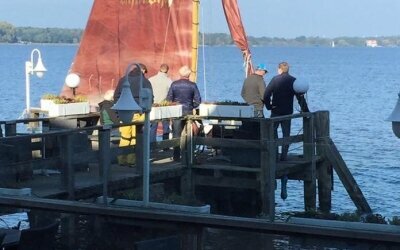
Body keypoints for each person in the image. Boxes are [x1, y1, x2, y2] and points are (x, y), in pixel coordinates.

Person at [263, 61, 309, 161]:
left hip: (276, 110)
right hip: (288, 112)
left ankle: (274, 155)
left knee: (272, 132)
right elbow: (300, 97)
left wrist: (268, 106)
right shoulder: (293, 80)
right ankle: (284, 156)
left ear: (279, 69)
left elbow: (266, 95)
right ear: (288, 70)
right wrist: (306, 111)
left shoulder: (275, 79)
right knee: (286, 134)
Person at [113, 63, 153, 167]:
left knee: (125, 136)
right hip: (138, 112)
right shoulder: (144, 81)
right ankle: (132, 160)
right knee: (136, 136)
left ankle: (122, 159)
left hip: (125, 112)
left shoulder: (123, 80)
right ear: (143, 70)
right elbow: (150, 97)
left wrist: (119, 110)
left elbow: (116, 96)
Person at [166, 65, 201, 162]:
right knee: (190, 135)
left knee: (176, 134)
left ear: (180, 73)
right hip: (188, 112)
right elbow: (198, 101)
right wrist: (192, 106)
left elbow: (169, 99)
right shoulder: (193, 85)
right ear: (189, 74)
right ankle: (189, 155)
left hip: (177, 112)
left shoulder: (174, 84)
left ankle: (176, 156)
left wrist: (173, 107)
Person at [148, 63, 173, 143]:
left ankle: (152, 145)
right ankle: (165, 145)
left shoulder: (151, 79)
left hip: (153, 105)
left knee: (153, 126)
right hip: (164, 106)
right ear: (167, 71)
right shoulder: (169, 81)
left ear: (159, 69)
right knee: (165, 127)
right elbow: (171, 94)